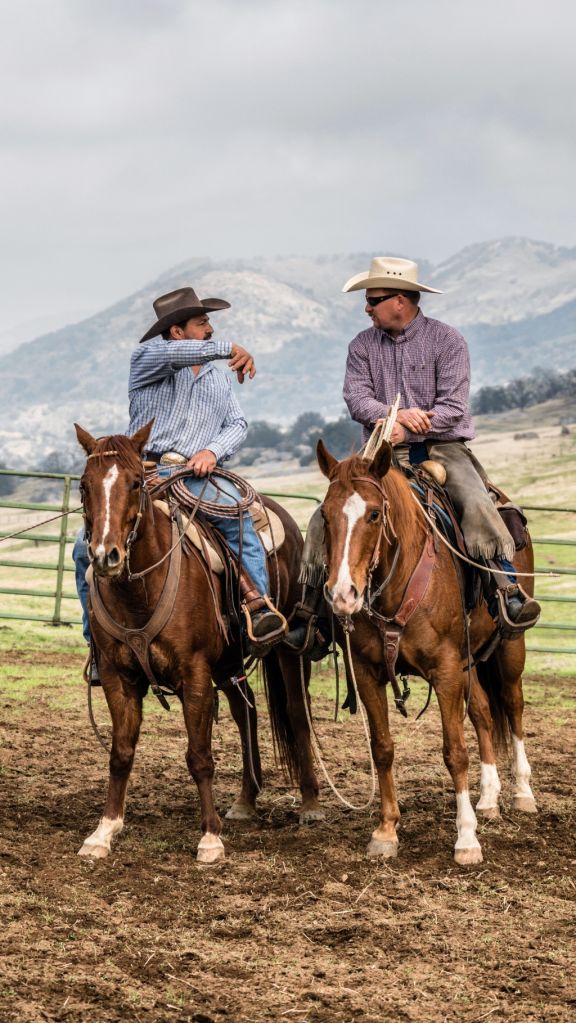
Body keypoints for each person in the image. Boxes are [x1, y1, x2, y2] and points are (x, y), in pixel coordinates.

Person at [285, 256, 540, 655]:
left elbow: (455, 406)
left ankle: (506, 591)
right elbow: (356, 398)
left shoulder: (448, 341)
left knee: (475, 502)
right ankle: (311, 613)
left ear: (401, 300)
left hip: (442, 446)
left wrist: (419, 422)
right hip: (379, 453)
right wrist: (392, 416)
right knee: (329, 513)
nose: (366, 308)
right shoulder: (361, 346)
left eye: (373, 300)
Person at [74, 285, 287, 670]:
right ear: (177, 331)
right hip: (146, 474)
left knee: (239, 523)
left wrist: (211, 452)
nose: (209, 329)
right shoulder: (148, 359)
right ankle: (97, 645)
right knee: (81, 549)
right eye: (202, 322)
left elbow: (238, 423)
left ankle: (258, 610)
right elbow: (181, 353)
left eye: (209, 324)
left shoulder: (217, 380)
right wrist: (230, 348)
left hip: (195, 472)